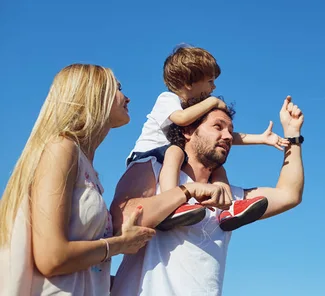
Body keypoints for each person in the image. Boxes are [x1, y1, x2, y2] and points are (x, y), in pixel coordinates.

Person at [109, 95, 304, 296]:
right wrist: (185, 192)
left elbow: (289, 195)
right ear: (188, 131)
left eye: (230, 130)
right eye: (218, 127)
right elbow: (119, 221)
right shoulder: (153, 170)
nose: (228, 136)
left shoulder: (229, 198)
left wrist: (293, 134)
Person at [0, 64, 156, 296]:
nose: (128, 97)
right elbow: (52, 258)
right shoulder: (62, 148)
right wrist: (121, 244)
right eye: (118, 88)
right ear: (93, 93)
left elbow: (81, 270)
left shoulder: (87, 167)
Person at [126, 44, 288, 231]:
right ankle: (172, 205)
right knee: (175, 151)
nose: (214, 86)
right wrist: (213, 102)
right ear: (188, 83)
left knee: (217, 167)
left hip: (171, 157)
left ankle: (229, 207)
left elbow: (221, 136)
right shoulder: (168, 99)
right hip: (146, 156)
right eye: (210, 81)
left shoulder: (194, 108)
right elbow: (181, 119)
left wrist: (261, 138)